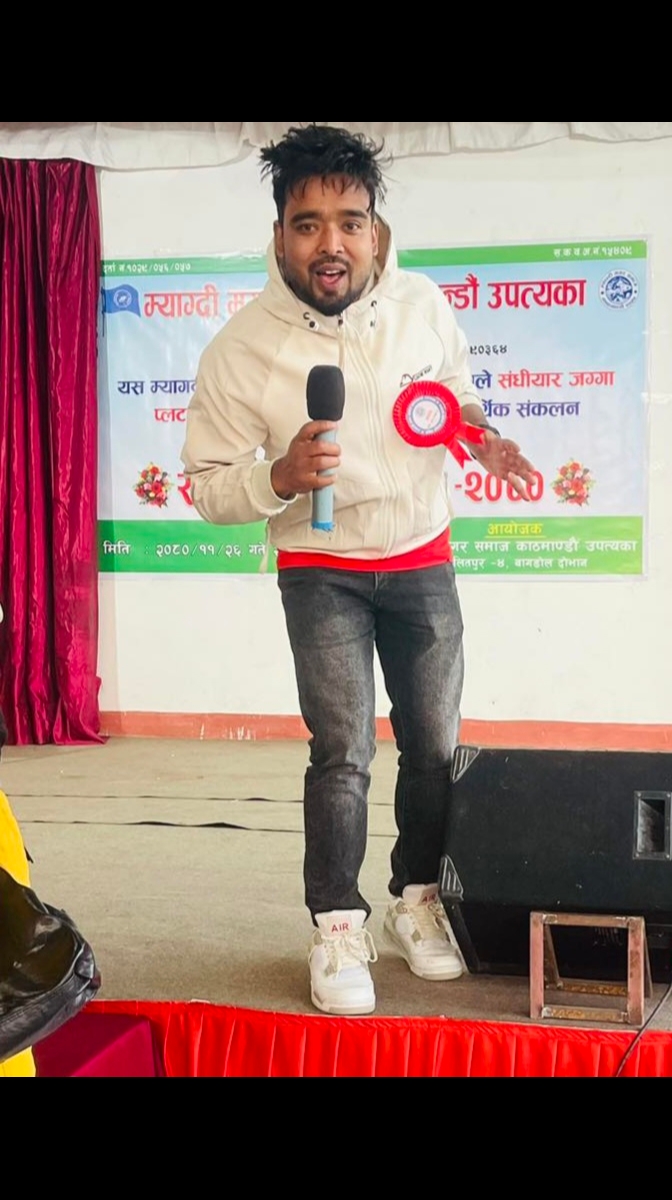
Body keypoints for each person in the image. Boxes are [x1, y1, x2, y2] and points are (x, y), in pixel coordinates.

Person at [181, 124, 535, 1016]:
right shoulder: (240, 348)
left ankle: (416, 900)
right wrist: (277, 477)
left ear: (375, 229)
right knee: (341, 751)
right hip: (319, 567)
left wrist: (482, 436)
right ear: (279, 235)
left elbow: (455, 401)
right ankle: (337, 922)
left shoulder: (423, 306)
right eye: (308, 224)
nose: (330, 243)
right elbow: (208, 485)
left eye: (349, 221)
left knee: (435, 747)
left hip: (424, 558)